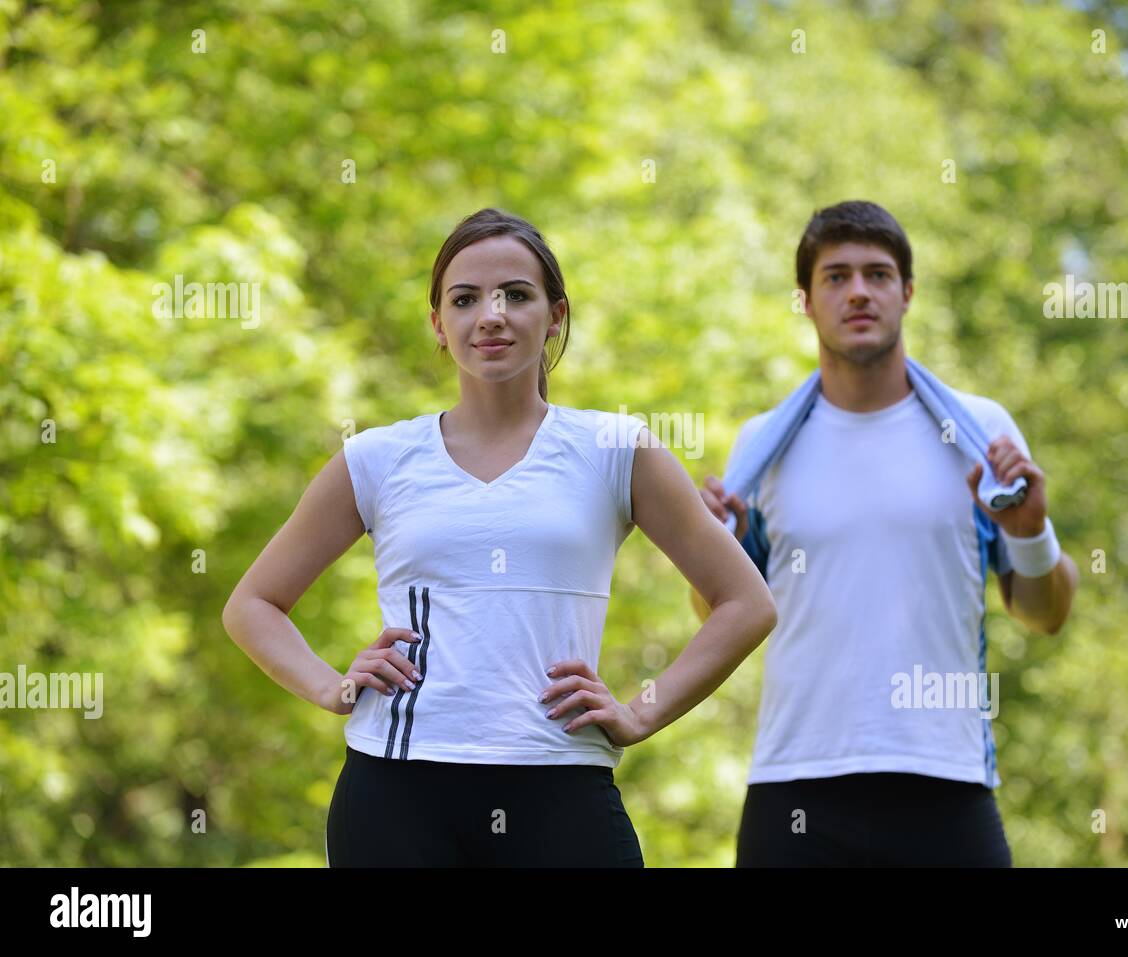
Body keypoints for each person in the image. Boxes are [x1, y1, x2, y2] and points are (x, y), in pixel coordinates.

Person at [223, 208, 776, 867]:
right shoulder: (377, 458)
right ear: (438, 323)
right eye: (465, 298)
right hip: (395, 791)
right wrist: (331, 686)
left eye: (516, 294)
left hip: (561, 785)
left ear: (555, 314)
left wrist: (640, 710)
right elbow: (252, 604)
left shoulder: (615, 448)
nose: (492, 314)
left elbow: (746, 602)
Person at [692, 200, 1079, 867]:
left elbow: (1046, 613)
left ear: (908, 293)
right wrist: (709, 550)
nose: (859, 292)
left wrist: (1031, 530)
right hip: (794, 787)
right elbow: (719, 612)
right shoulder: (761, 447)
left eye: (877, 273)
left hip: (944, 781)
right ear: (806, 302)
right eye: (836, 277)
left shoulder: (980, 433)